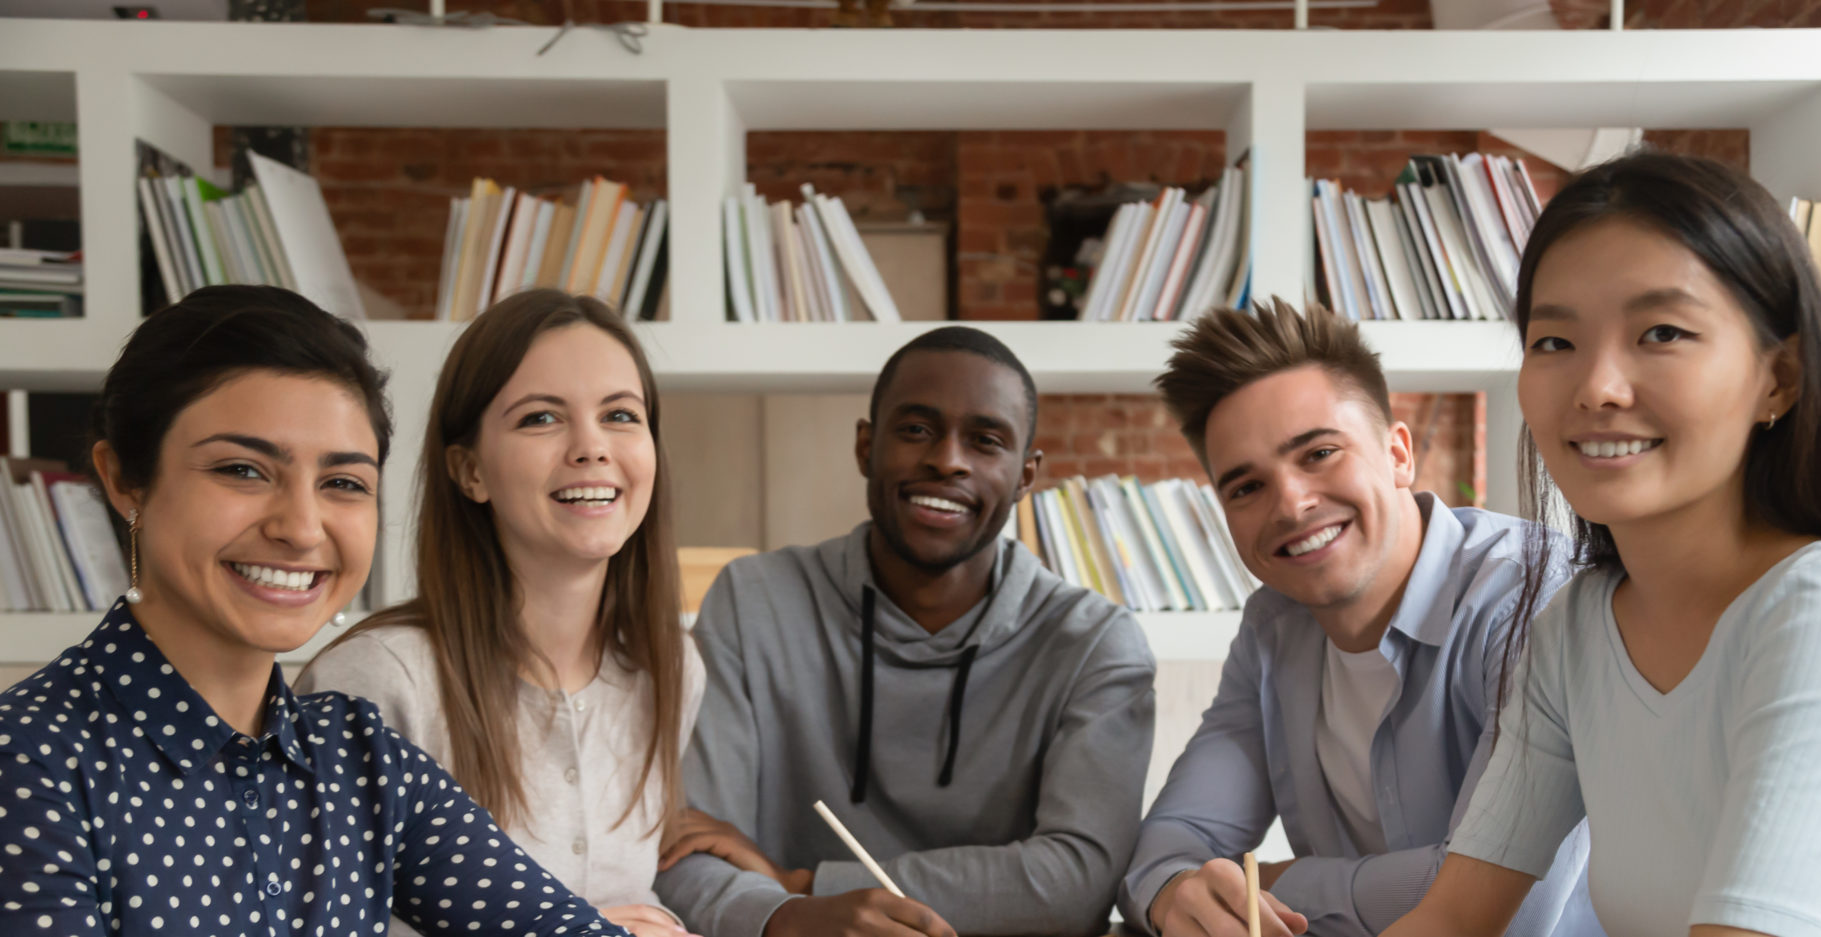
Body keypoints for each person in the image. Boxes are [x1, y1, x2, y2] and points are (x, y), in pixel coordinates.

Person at [1383, 151, 1821, 937]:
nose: (1597, 385)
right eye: (1554, 341)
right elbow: (1454, 918)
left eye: (1661, 332)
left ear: (1781, 377)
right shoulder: (1576, 627)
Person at [0, 285, 630, 936]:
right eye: (243, 470)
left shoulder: (362, 760)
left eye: (343, 483)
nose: (302, 528)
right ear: (125, 478)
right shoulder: (27, 761)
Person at [653, 326, 1157, 937]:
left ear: (1026, 476)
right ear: (865, 447)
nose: (946, 459)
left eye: (985, 440)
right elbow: (686, 852)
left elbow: (1077, 884)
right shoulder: (754, 602)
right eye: (916, 429)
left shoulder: (1094, 643)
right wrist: (788, 916)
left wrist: (807, 888)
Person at [1122, 300, 1595, 937]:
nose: (1291, 503)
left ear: (1399, 454)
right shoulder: (1272, 628)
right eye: (1246, 487)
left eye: (1318, 453)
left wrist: (1282, 881)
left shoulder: (1531, 596)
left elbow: (1513, 911)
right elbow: (1174, 841)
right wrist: (1176, 892)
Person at [297, 291, 702, 937]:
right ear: (469, 470)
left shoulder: (672, 664)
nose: (592, 446)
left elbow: (636, 893)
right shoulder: (374, 684)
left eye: (621, 414)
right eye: (541, 417)